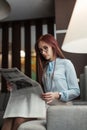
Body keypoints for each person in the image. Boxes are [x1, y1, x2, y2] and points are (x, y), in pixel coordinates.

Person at [1, 34, 80, 130]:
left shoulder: (66, 63)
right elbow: (41, 90)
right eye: (41, 50)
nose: (43, 52)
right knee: (10, 118)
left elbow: (76, 91)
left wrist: (57, 94)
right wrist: (15, 87)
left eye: (45, 48)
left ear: (53, 46)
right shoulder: (45, 67)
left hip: (60, 107)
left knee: (19, 120)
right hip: (45, 105)